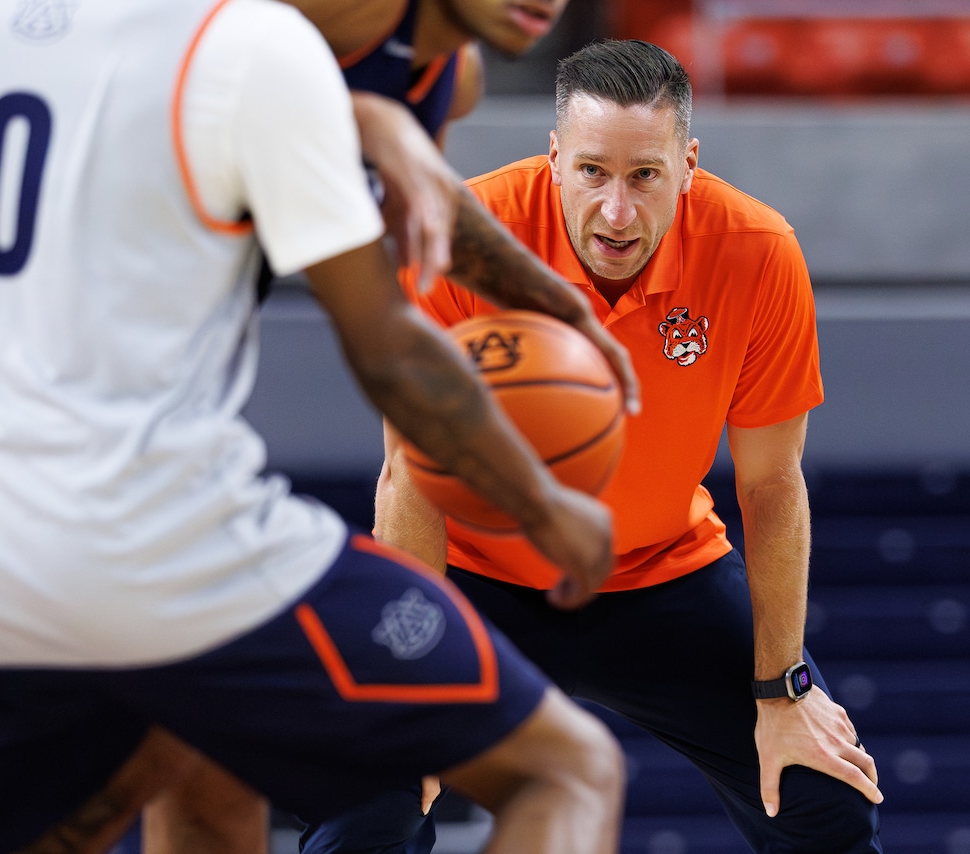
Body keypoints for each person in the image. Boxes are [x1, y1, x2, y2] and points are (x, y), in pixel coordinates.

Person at [0, 1, 630, 853]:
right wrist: (540, 503)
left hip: (27, 464)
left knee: (189, 759)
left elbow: (386, 202)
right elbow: (383, 337)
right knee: (126, 717)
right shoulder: (248, 43)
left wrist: (543, 291)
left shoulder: (435, 71)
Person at [308, 38, 887, 853]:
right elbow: (410, 479)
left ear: (688, 164)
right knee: (366, 800)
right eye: (592, 173)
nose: (617, 211)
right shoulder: (461, 238)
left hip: (662, 572)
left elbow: (771, 487)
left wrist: (784, 690)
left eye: (645, 175)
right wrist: (420, 687)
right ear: (554, 159)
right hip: (481, 577)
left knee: (825, 800)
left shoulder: (757, 254)